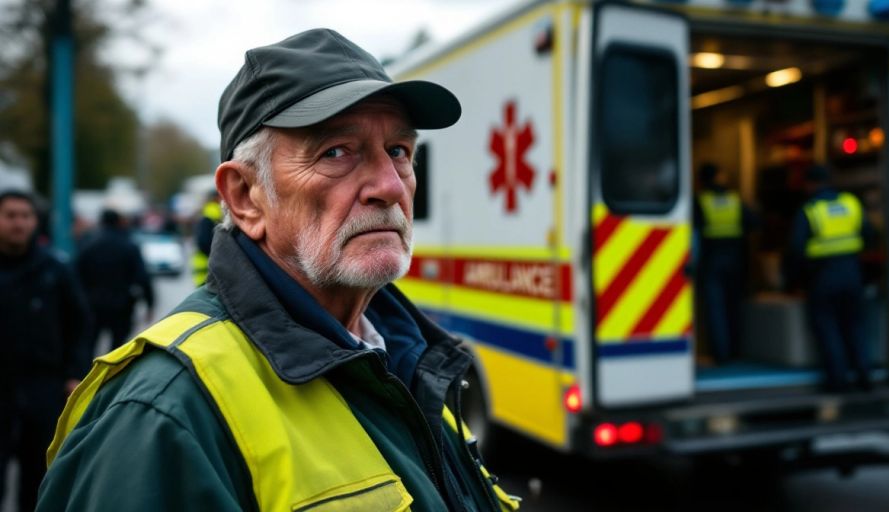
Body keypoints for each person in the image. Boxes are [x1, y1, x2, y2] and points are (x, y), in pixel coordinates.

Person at [39, 29, 520, 511]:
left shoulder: (408, 360)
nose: (390, 186)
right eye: (336, 152)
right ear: (246, 197)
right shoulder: (162, 414)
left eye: (398, 151)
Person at [0, 190, 91, 511]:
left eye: (25, 216)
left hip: (43, 387)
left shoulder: (55, 269)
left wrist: (74, 374)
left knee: (37, 475)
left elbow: (80, 325)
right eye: (11, 216)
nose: (19, 223)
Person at [784, 164, 872, 392]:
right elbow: (870, 235)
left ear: (810, 184)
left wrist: (793, 280)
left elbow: (796, 248)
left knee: (828, 327)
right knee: (856, 326)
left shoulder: (810, 210)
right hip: (853, 274)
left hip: (822, 277)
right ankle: (864, 376)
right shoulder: (850, 203)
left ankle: (838, 381)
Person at [693, 163, 755, 364]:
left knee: (716, 309)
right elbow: (754, 222)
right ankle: (737, 351)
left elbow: (693, 235)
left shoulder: (700, 201)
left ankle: (721, 355)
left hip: (711, 260)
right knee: (733, 306)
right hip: (735, 259)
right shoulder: (734, 200)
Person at [75, 208, 154, 353]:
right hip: (121, 306)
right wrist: (150, 304)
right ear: (118, 223)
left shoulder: (87, 244)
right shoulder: (129, 246)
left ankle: (88, 374)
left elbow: (76, 275)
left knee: (88, 346)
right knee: (117, 349)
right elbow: (142, 277)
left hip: (92, 305)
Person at [191, 189, 222, 286]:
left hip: (205, 270)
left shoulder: (206, 215)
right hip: (208, 270)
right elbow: (204, 242)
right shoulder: (216, 215)